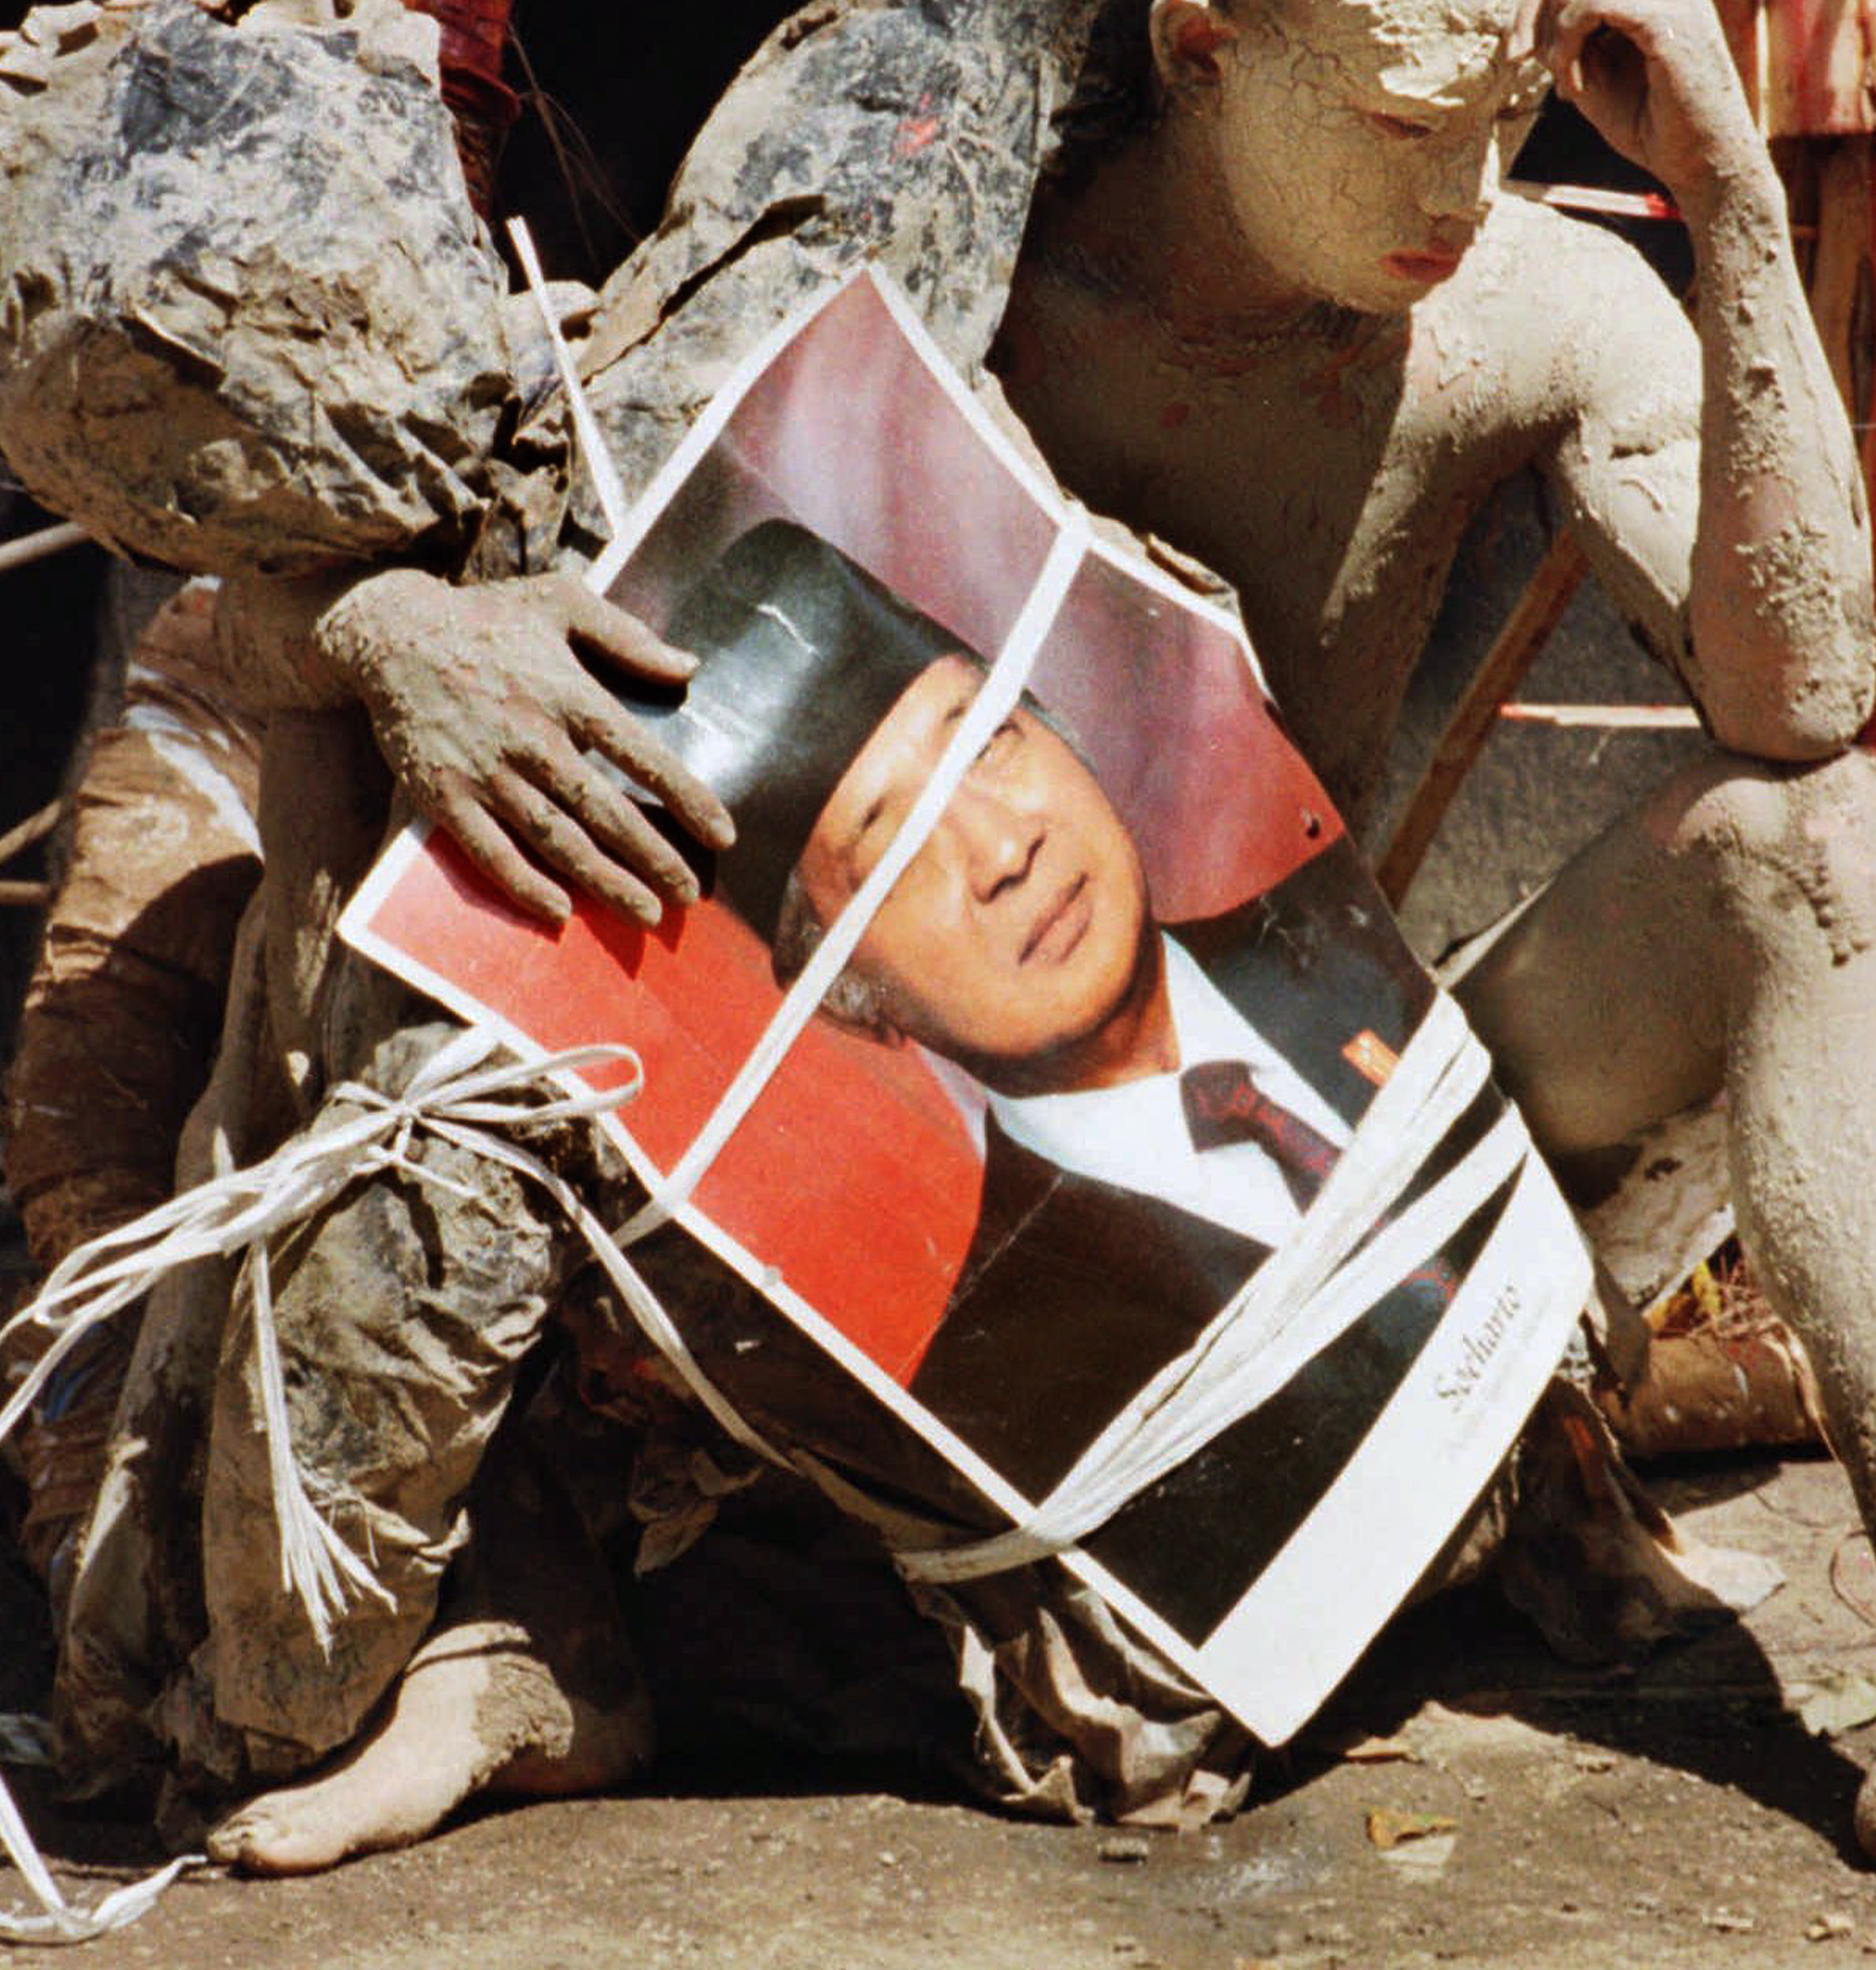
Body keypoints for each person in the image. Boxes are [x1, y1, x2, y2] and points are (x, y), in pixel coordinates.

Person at [2, 0, 1876, 1944]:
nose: (1458, 189)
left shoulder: (1528, 311)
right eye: (1395, 123)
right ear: (1196, 50)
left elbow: (1794, 705)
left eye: (1502, 114)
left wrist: (1733, 212)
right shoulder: (922, 227)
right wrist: (389, 627)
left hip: (1321, 1142)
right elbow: (499, 557)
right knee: (434, 794)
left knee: (1812, 848)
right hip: (823, 1184)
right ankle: (523, 1621)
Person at [639, 518, 1501, 1522]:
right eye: (893, 854)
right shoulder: (1005, 1403)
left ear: (1060, 726)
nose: (1005, 852)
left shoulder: (1348, 933)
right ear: (843, 992)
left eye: (989, 742)